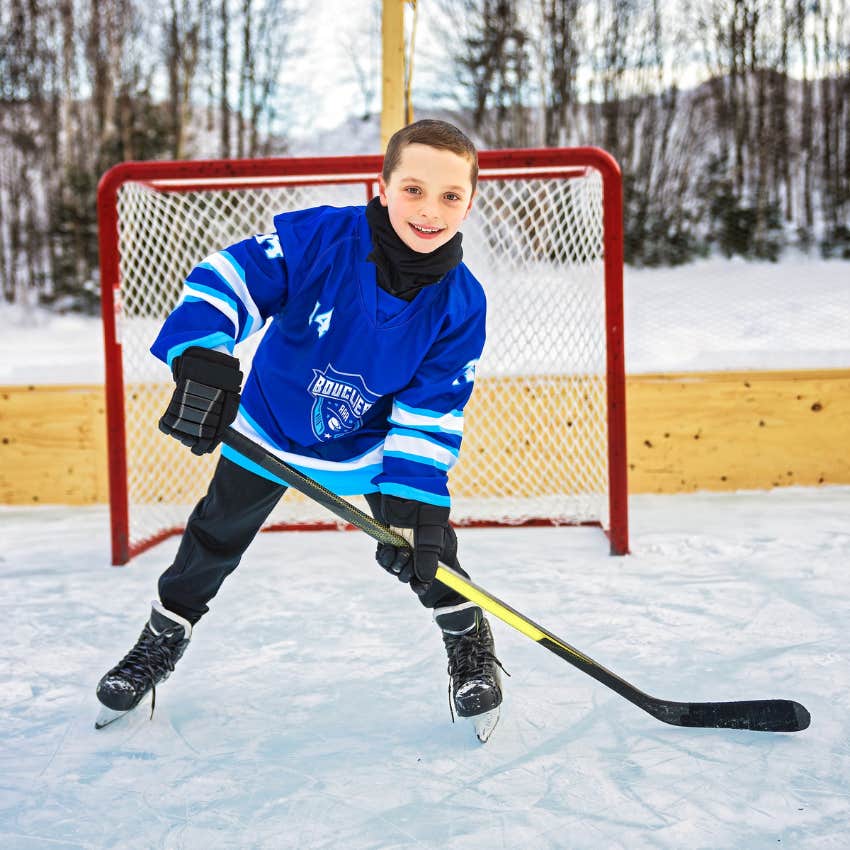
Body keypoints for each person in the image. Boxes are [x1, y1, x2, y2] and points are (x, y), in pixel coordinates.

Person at [96, 119, 505, 739]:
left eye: (450, 196)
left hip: (367, 445)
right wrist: (202, 353)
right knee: (212, 538)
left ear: (469, 202)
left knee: (426, 550)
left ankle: (469, 639)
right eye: (414, 190)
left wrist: (416, 498)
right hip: (268, 425)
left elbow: (432, 410)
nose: (430, 210)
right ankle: (159, 641)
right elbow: (229, 278)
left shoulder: (461, 303)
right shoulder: (321, 238)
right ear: (384, 185)